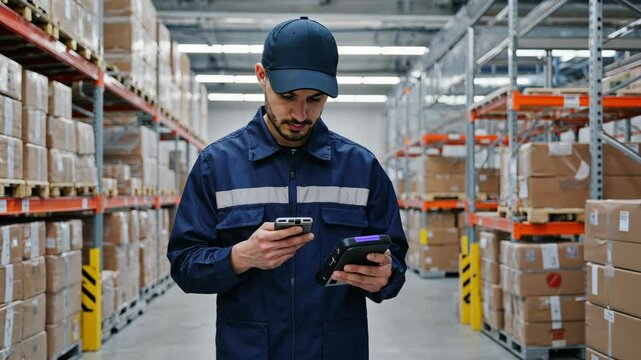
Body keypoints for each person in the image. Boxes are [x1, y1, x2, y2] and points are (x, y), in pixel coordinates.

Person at [168, 16, 408, 360]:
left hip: (336, 349)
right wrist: (239, 257)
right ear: (261, 76)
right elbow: (185, 265)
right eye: (288, 96)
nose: (300, 113)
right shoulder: (216, 166)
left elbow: (395, 262)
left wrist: (385, 277)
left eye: (316, 99)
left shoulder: (361, 168)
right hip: (250, 350)